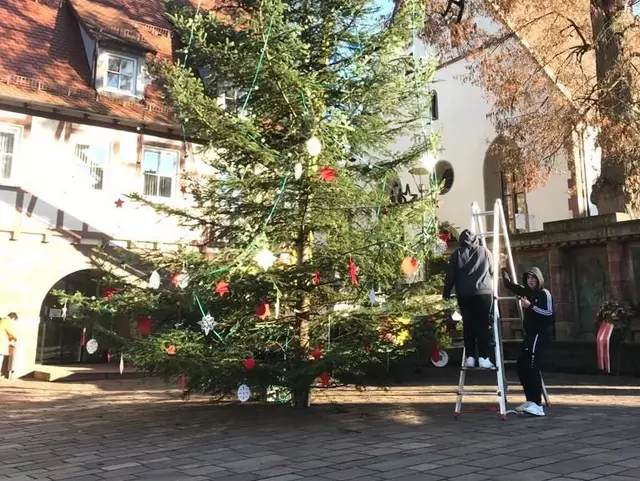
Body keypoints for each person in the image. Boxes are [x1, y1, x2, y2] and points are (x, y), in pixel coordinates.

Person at [501, 267, 553, 417]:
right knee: (521, 366)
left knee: (532, 366)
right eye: (529, 278)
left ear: (539, 279)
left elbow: (549, 314)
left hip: (540, 334)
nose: (531, 281)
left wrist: (531, 307)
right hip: (530, 335)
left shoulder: (544, 294)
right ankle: (530, 400)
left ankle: (537, 403)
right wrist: (503, 270)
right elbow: (511, 286)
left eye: (533, 278)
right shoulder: (527, 292)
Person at [443, 229, 495, 369]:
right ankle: (484, 357)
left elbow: (450, 276)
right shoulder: (485, 252)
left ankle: (470, 357)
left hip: (465, 294)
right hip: (484, 292)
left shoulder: (457, 254)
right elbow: (492, 271)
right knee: (483, 325)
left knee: (469, 325)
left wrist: (446, 293)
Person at [0, 312, 18, 380]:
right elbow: (9, 331)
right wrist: (15, 338)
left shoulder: (2, 320)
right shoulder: (7, 321)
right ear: (12, 317)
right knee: (1, 356)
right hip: (1, 339)